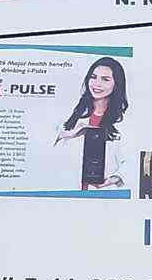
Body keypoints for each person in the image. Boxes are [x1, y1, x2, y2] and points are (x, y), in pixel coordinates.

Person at [55, 56, 130, 190]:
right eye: (93, 77)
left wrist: (114, 179)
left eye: (105, 79)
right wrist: (67, 134)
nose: (97, 84)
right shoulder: (71, 114)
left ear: (116, 84)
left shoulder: (124, 121)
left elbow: (131, 161)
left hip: (101, 193)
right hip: (69, 191)